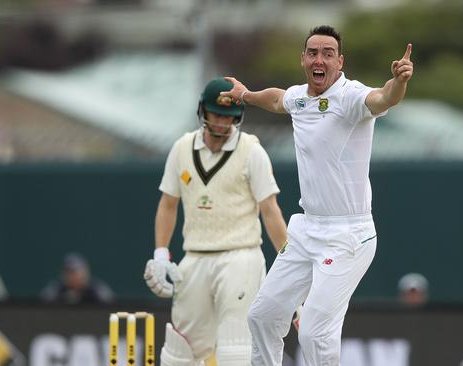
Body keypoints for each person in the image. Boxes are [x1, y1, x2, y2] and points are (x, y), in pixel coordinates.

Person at [220, 25, 414, 365]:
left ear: (340, 61)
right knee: (261, 317)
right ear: (303, 59)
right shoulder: (300, 97)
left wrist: (399, 82)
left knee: (312, 331)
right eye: (313, 53)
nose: (319, 59)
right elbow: (278, 99)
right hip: (307, 230)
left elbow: (383, 98)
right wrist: (246, 95)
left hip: (348, 236)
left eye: (327, 53)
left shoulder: (351, 96)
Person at [142, 77, 287, 366]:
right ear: (203, 112)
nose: (222, 123)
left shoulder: (251, 151)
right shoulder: (182, 148)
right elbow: (168, 204)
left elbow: (270, 210)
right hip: (194, 257)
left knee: (236, 350)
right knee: (179, 354)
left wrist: (290, 268)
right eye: (217, 114)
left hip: (240, 257)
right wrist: (160, 253)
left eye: (229, 117)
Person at [41, 252, 114, 304]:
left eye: (75, 272)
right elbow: (43, 303)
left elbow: (110, 303)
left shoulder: (96, 289)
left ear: (85, 272)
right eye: (68, 272)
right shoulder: (56, 289)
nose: (72, 276)